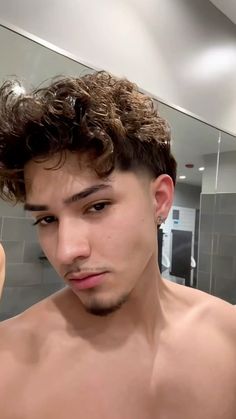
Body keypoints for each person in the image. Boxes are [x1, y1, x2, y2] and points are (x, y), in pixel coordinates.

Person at [0, 71, 235, 419]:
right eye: (47, 219)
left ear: (159, 200)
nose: (66, 252)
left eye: (96, 206)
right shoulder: (11, 361)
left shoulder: (228, 337)